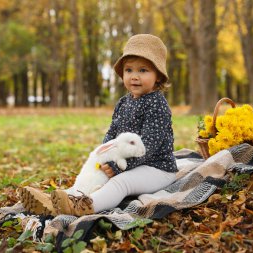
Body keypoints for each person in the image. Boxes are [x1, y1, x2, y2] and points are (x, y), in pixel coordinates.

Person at [18, 34, 178, 217]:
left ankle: (83, 206)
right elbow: (112, 133)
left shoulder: (157, 104)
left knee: (121, 183)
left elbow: (149, 145)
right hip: (126, 163)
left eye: (143, 70)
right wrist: (104, 156)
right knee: (92, 176)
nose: (134, 77)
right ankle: (61, 199)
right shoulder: (124, 102)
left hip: (156, 168)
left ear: (158, 76)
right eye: (129, 70)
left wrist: (119, 167)